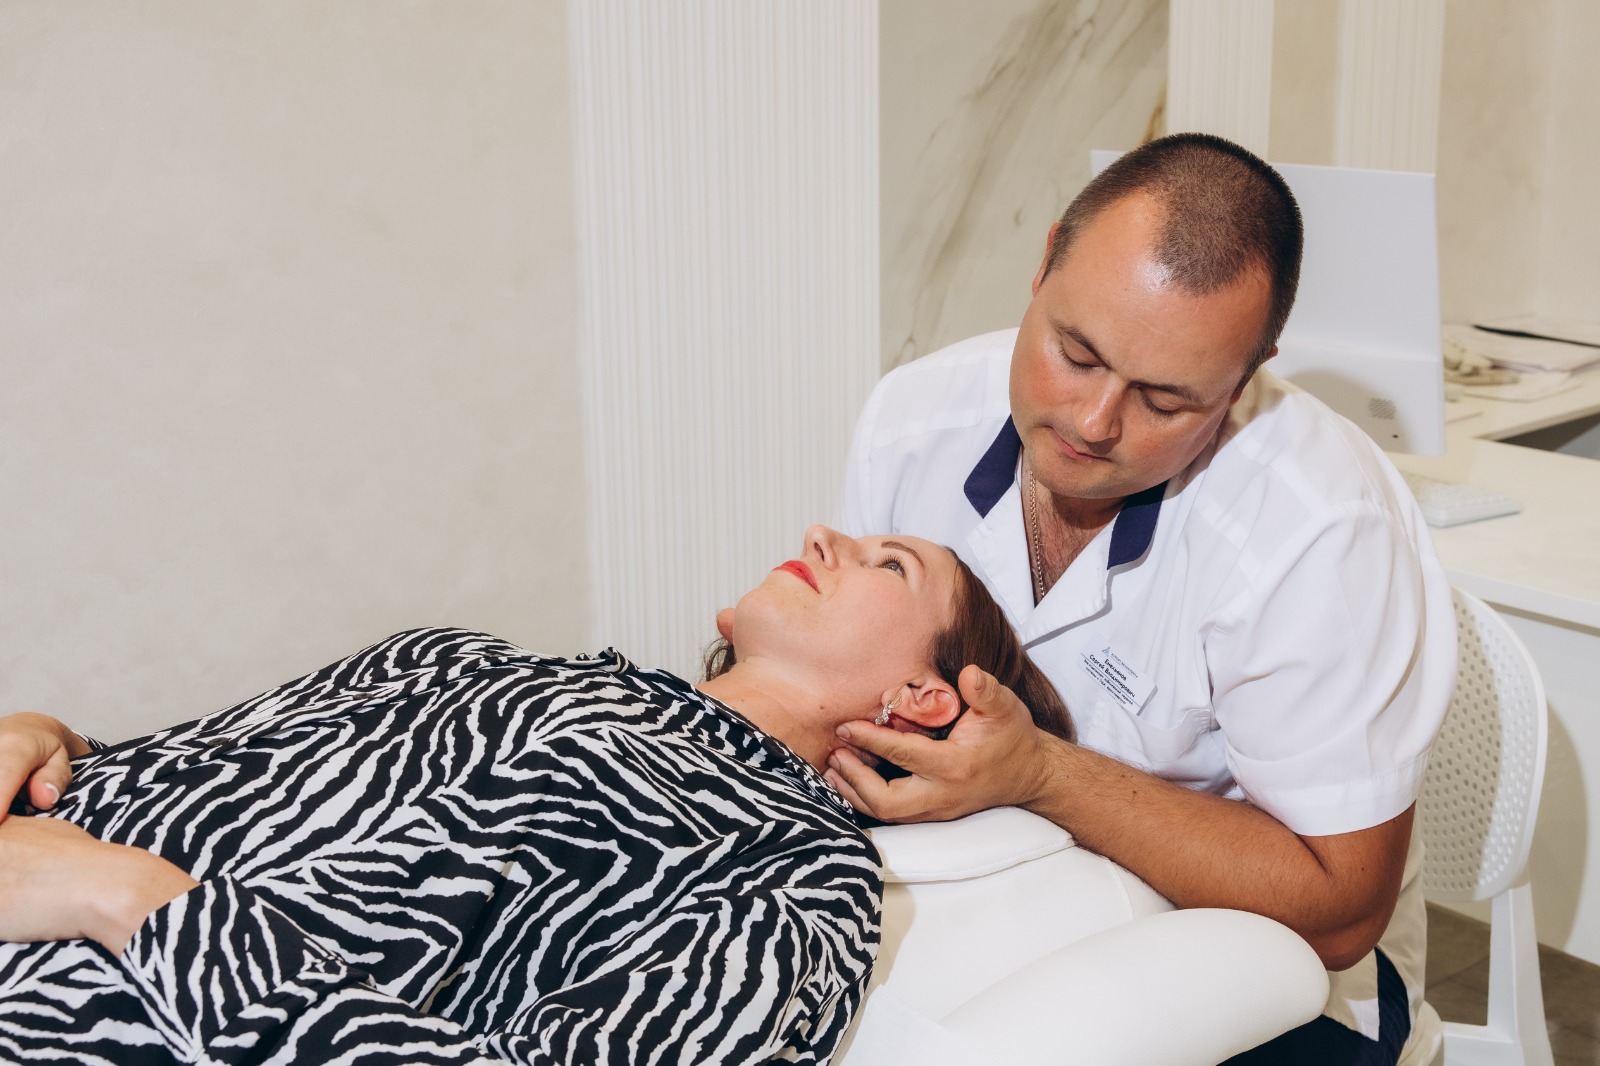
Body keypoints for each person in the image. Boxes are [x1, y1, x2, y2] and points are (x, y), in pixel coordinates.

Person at [824, 132, 1455, 1064]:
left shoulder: (1321, 530)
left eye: (1164, 402)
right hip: (993, 895)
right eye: (1076, 353)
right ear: (1046, 261)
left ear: (1247, 374)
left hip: (1274, 970)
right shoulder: (913, 421)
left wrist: (1041, 774)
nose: (1093, 422)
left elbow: (1339, 909)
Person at [0, 526, 1069, 1066]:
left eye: (889, 565)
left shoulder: (797, 876)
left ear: (923, 698)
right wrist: (53, 741)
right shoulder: (453, 654)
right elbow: (199, 776)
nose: (826, 536)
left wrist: (132, 904)